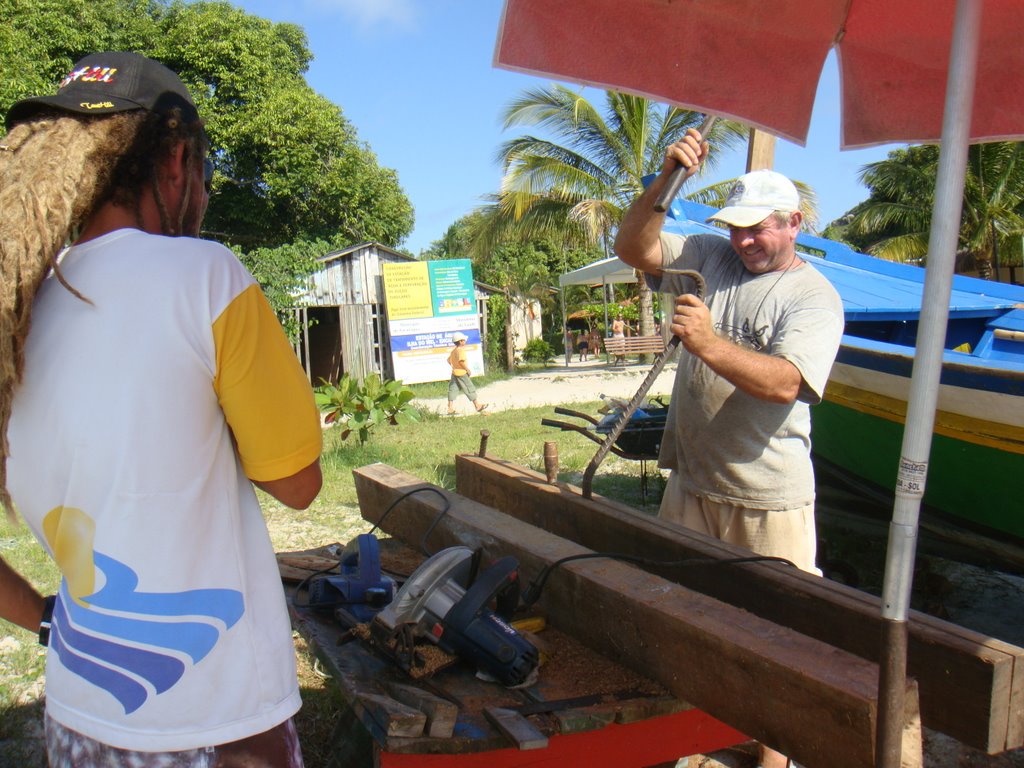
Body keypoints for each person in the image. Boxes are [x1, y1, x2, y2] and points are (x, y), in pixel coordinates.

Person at [0, 52, 323, 766]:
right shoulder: (206, 277)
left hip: (76, 718)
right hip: (212, 720)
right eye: (204, 176)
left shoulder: (14, 317)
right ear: (175, 162)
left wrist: (49, 620)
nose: (202, 198)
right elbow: (298, 483)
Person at [614, 129, 843, 768]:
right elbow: (631, 246)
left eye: (760, 230)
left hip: (768, 498)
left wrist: (710, 343)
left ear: (794, 224)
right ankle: (689, 737)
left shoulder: (813, 297)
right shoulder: (711, 256)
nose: (744, 241)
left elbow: (787, 383)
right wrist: (666, 177)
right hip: (692, 482)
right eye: (736, 228)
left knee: (777, 642)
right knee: (678, 621)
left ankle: (774, 756)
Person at [447, 332, 487, 414]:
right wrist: (467, 369)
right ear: (460, 341)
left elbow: (448, 360)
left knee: (453, 389)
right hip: (462, 373)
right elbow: (461, 362)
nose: (465, 342)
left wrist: (455, 366)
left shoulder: (453, 351)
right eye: (464, 340)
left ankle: (450, 408)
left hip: (454, 373)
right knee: (469, 388)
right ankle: (477, 406)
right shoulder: (461, 350)